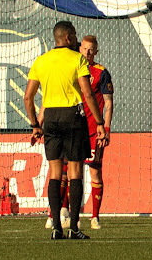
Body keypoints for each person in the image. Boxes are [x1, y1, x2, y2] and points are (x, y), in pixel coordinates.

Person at [24, 21, 106, 240]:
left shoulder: (41, 61)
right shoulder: (77, 59)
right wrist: (99, 123)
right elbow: (87, 94)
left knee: (54, 173)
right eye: (75, 36)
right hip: (72, 116)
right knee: (75, 172)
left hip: (50, 117)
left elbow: (28, 97)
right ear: (68, 38)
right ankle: (75, 228)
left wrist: (35, 125)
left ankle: (56, 228)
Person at [78, 35, 113, 230]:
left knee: (95, 173)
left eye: (92, 50)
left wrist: (106, 128)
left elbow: (108, 102)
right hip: (75, 129)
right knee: (69, 172)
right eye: (85, 49)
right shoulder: (73, 68)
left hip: (94, 132)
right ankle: (63, 214)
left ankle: (94, 216)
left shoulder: (101, 72)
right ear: (80, 48)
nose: (88, 53)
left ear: (96, 52)